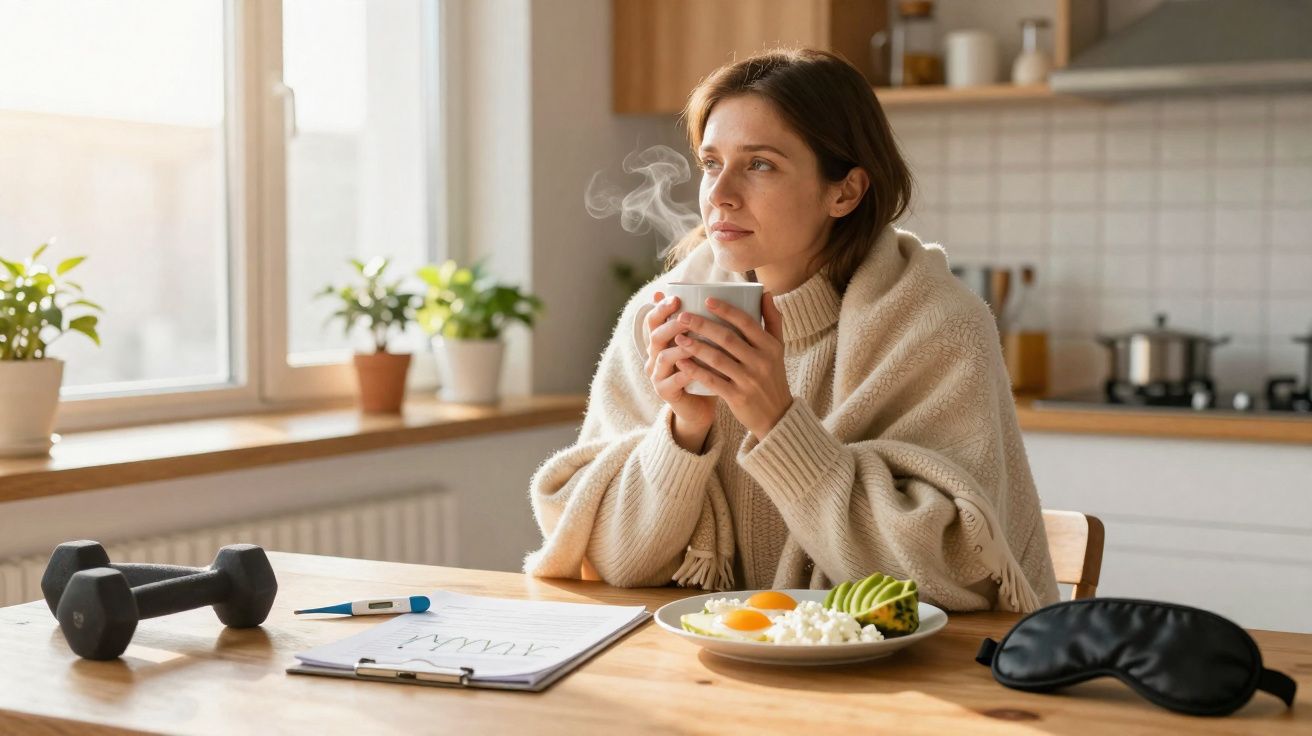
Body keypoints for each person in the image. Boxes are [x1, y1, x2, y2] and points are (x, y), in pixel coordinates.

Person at [524, 48, 1058, 612]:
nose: (720, 194)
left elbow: (953, 575)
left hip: (907, 681)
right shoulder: (656, 319)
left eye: (759, 164)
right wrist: (683, 432)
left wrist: (777, 421)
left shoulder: (936, 327)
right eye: (711, 163)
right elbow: (610, 562)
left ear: (844, 192)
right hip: (705, 674)